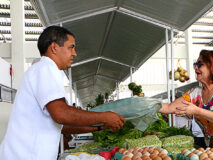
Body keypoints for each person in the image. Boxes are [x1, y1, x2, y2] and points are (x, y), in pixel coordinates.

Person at [0, 26, 125, 160]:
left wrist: (100, 127)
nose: (74, 53)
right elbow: (61, 114)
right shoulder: (45, 68)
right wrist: (104, 117)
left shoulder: (43, 70)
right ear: (54, 47)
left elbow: (63, 126)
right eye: (71, 47)